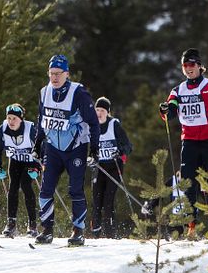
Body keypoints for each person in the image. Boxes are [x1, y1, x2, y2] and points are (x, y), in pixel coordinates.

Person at [158, 48, 208, 236]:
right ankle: (191, 225)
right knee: (189, 183)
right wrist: (166, 110)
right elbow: (171, 110)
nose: (188, 69)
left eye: (192, 65)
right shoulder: (178, 90)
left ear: (200, 66)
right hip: (189, 142)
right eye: (185, 65)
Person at [34, 54, 100, 246]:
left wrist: (94, 149)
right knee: (46, 189)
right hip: (53, 148)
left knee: (75, 190)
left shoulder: (78, 93)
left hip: (76, 149)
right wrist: (37, 145)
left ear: (67, 74)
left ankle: (78, 231)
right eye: (51, 73)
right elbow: (41, 119)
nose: (54, 78)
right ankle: (46, 230)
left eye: (58, 74)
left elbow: (93, 122)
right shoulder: (44, 92)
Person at [0, 103, 39, 238]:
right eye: (9, 118)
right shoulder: (3, 129)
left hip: (30, 162)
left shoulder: (30, 129)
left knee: (25, 185)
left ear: (21, 119)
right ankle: (11, 224)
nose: (11, 121)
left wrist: (37, 167)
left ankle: (32, 225)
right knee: (13, 188)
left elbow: (42, 148)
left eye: (14, 119)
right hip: (15, 161)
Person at [90, 97, 133, 239]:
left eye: (102, 110)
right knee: (97, 200)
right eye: (97, 110)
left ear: (107, 112)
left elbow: (128, 146)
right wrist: (89, 157)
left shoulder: (114, 125)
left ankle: (110, 233)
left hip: (114, 167)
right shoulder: (91, 126)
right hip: (99, 167)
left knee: (108, 200)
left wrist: (120, 152)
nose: (99, 113)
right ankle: (96, 232)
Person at [140, 171, 189, 239]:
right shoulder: (175, 180)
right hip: (175, 223)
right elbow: (161, 193)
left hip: (190, 222)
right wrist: (150, 205)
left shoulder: (195, 179)